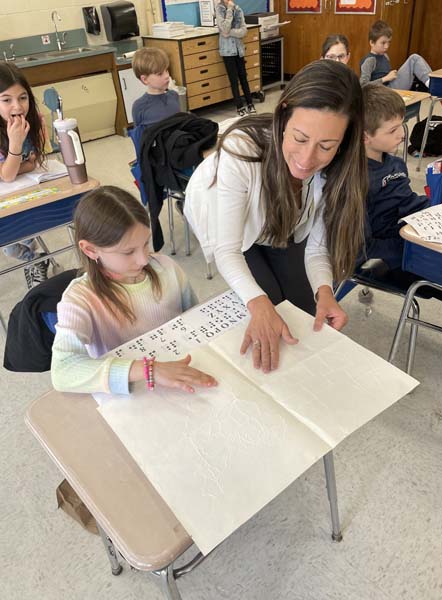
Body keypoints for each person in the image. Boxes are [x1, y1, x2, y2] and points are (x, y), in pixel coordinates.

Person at [185, 60, 367, 373]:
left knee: (305, 310)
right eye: (299, 138)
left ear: (345, 141)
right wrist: (257, 303)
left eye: (326, 146)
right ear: (283, 115)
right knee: (264, 305)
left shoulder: (338, 166)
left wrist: (325, 290)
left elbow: (317, 247)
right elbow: (228, 250)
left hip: (284, 222)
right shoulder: (241, 152)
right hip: (232, 223)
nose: (307, 159)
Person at [51, 185, 217, 395]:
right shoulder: (80, 298)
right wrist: (149, 369)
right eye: (128, 252)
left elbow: (196, 318)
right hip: (135, 392)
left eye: (146, 243)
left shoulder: (167, 267)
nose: (144, 258)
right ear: (90, 249)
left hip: (183, 375)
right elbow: (62, 371)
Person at [361, 85, 429, 277]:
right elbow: (364, 247)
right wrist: (411, 245)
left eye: (402, 124)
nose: (402, 134)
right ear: (366, 137)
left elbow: (408, 203)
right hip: (392, 252)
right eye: (392, 130)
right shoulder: (357, 180)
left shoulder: (396, 164)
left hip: (412, 231)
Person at [0, 63, 50, 288]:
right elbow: (8, 176)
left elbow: (37, 160)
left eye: (22, 98)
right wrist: (16, 144)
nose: (17, 106)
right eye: (6, 100)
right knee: (11, 245)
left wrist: (21, 167)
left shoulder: (35, 120)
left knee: (33, 226)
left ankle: (34, 258)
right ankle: (34, 260)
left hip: (30, 189)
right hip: (6, 198)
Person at [360, 20, 431, 89]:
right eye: (383, 43)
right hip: (382, 92)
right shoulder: (369, 60)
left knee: (415, 59)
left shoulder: (385, 56)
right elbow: (363, 85)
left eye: (389, 42)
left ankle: (433, 82)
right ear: (372, 42)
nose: (386, 46)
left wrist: (392, 75)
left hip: (390, 86)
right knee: (413, 59)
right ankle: (433, 85)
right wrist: (385, 78)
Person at [215, 0, 256, 117]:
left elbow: (244, 31)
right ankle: (239, 106)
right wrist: (229, 10)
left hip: (239, 49)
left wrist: (230, 33)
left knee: (243, 76)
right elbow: (224, 28)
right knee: (234, 79)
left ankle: (250, 103)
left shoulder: (238, 9)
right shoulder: (219, 9)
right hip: (227, 51)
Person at [131, 47, 180, 127]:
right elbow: (140, 136)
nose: (167, 76)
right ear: (145, 79)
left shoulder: (174, 95)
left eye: (166, 70)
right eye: (160, 74)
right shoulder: (139, 106)